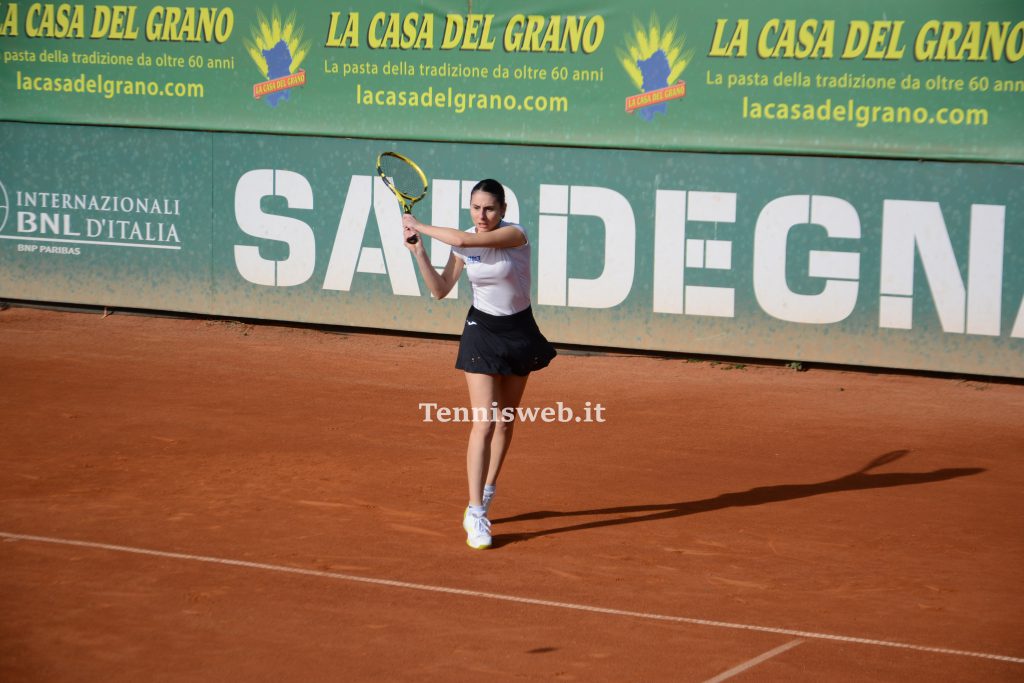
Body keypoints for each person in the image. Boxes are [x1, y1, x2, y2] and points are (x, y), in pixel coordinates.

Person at [403, 179, 556, 550]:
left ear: (502, 209)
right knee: (484, 421)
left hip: (519, 331)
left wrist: (419, 223)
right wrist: (418, 250)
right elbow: (440, 290)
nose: (481, 215)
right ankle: (475, 512)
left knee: (505, 421)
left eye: (488, 208)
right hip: (481, 332)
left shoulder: (514, 235)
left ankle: (486, 493)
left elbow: (466, 242)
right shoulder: (465, 240)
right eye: (475, 208)